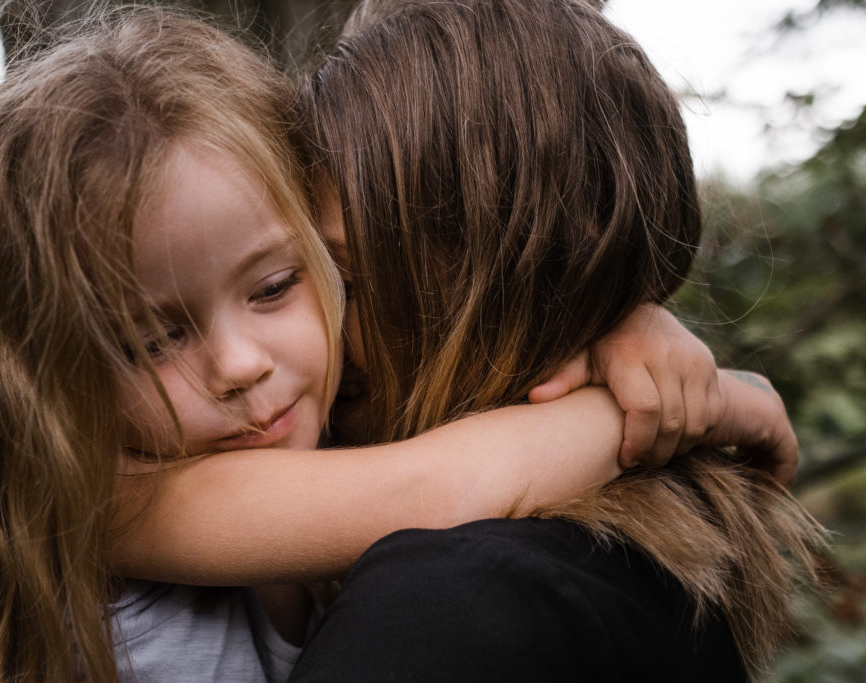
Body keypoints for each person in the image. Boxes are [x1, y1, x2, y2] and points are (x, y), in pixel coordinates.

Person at [0, 8, 759, 683]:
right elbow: (443, 486)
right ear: (43, 372)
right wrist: (694, 401)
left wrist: (627, 329)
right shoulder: (98, 501)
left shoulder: (323, 468)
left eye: (280, 285)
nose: (240, 364)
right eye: (149, 339)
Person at [283, 0, 825, 679]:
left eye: (350, 281)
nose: (309, 335)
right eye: (286, 283)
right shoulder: (638, 562)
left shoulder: (450, 605)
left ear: (516, 280)